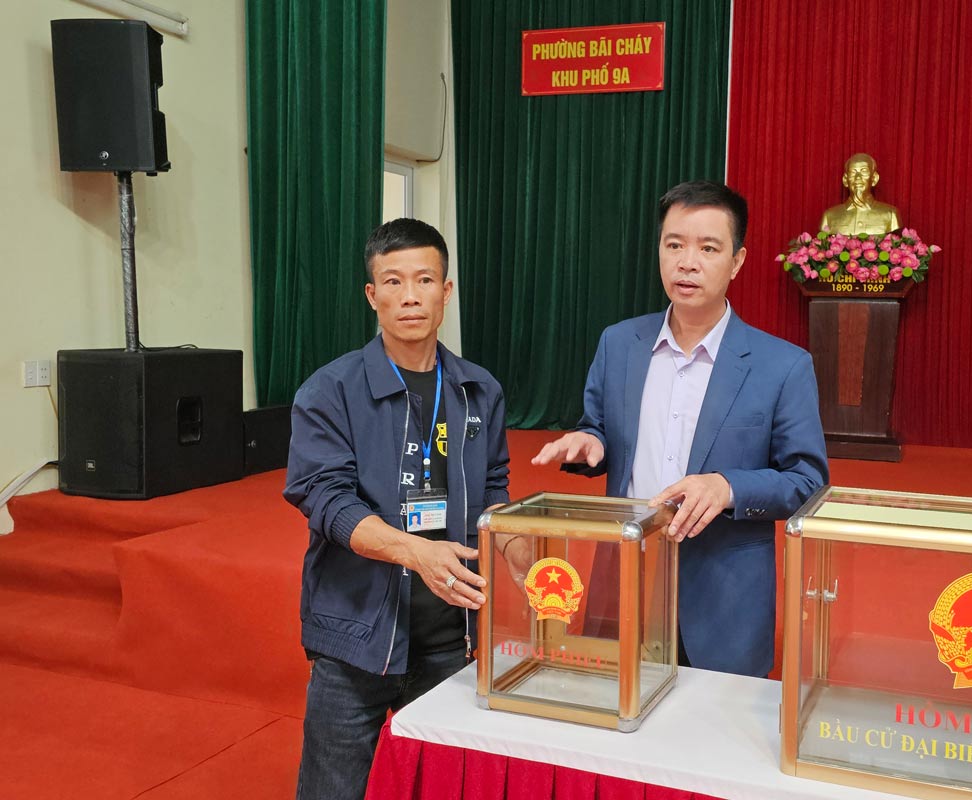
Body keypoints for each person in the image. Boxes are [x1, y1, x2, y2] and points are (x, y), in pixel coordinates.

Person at [532, 180, 829, 678]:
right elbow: (599, 428)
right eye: (674, 245)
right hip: (626, 577)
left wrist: (728, 485)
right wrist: (590, 443)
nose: (686, 262)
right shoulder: (619, 343)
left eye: (707, 248)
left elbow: (807, 481)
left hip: (722, 596)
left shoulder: (783, 365)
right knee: (611, 728)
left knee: (709, 741)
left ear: (736, 261)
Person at [284, 218, 510, 800]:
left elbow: (493, 486)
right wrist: (418, 554)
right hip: (357, 631)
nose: (410, 295)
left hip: (448, 635)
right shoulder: (328, 390)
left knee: (447, 787)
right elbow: (326, 500)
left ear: (446, 290)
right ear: (372, 295)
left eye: (425, 279)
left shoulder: (478, 389)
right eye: (393, 281)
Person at [819, 152, 903, 236]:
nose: (858, 177)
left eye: (864, 171)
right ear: (845, 180)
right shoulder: (829, 216)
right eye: (852, 172)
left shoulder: (891, 214)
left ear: (874, 178)